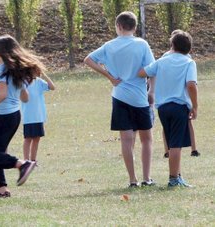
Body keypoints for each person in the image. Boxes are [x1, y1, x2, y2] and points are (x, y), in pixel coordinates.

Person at [83, 11, 155, 187]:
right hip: (140, 97)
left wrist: (109, 76)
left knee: (126, 139)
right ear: (134, 27)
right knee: (146, 139)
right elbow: (153, 68)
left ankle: (132, 179)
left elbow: (88, 60)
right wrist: (152, 91)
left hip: (120, 96)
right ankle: (147, 178)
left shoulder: (109, 45)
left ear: (119, 26)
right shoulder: (142, 44)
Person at [0, 35, 39, 198]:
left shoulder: (1, 69)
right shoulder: (14, 70)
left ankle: (22, 164)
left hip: (3, 117)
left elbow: (2, 95)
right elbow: (25, 98)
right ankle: (1, 190)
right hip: (13, 116)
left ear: (0, 52)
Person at [139, 31, 197, 187]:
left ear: (172, 45)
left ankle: (178, 175)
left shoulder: (162, 61)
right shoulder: (189, 63)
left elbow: (142, 72)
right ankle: (173, 179)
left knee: (172, 143)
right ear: (189, 49)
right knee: (176, 145)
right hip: (179, 107)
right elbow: (191, 84)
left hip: (163, 108)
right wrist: (195, 107)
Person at [159, 30, 200, 158]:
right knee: (172, 127)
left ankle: (192, 148)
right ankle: (168, 151)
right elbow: (191, 84)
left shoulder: (168, 57)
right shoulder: (173, 57)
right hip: (180, 98)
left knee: (180, 124)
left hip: (167, 100)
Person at [21, 74, 55, 163]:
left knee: (37, 138)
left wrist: (44, 75)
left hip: (38, 116)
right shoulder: (23, 82)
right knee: (28, 138)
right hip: (28, 116)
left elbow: (52, 87)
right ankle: (26, 160)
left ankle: (33, 160)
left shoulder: (39, 81)